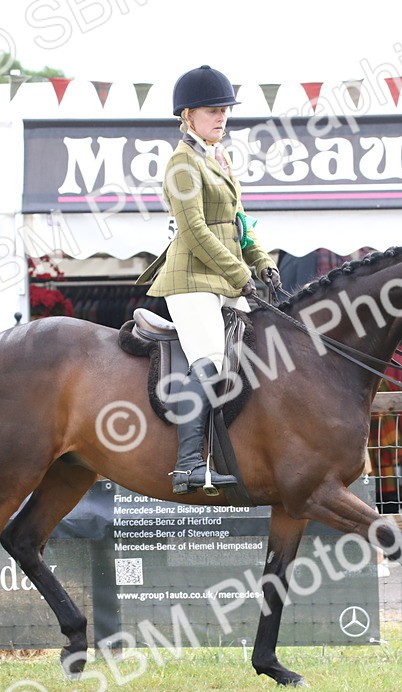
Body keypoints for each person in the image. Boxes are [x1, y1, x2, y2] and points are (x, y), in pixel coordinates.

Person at [137, 65, 281, 496]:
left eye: (224, 110)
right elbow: (195, 231)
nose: (222, 117)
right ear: (188, 115)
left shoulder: (219, 157)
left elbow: (239, 223)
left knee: (258, 352)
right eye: (212, 110)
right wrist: (239, 273)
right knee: (211, 360)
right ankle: (187, 465)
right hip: (191, 278)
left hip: (224, 277)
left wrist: (261, 261)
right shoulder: (181, 164)